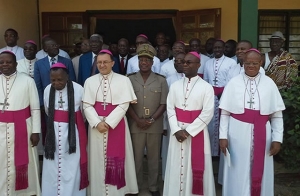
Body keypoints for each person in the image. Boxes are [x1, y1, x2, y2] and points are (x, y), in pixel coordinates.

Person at [219, 49, 285, 196]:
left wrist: (277, 139)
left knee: (261, 167)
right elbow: (225, 113)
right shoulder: (233, 82)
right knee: (238, 169)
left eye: (254, 63)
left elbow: (277, 115)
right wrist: (223, 137)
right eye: (247, 63)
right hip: (237, 134)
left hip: (263, 132)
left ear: (260, 63)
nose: (251, 66)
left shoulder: (269, 84)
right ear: (243, 63)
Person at [82, 49, 138, 195]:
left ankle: (117, 191)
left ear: (112, 63)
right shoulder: (89, 81)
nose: (102, 65)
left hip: (117, 124)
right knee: (97, 160)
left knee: (118, 157)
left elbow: (124, 104)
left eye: (105, 62)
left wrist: (109, 122)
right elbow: (86, 105)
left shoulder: (123, 80)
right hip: (96, 127)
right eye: (99, 62)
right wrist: (96, 122)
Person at [163, 52, 216, 196]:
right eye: (184, 62)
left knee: (196, 166)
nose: (184, 65)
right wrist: (176, 129)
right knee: (176, 165)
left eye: (189, 62)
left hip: (196, 132)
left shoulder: (206, 87)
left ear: (198, 65)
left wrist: (188, 131)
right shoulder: (175, 85)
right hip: (177, 131)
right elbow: (170, 109)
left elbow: (207, 113)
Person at [127, 44, 168, 196]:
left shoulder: (161, 81)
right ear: (138, 62)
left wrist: (150, 120)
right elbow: (126, 103)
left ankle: (153, 187)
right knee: (136, 158)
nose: (143, 62)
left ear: (152, 63)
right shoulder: (129, 79)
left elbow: (163, 104)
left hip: (154, 124)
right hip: (135, 124)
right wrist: (137, 119)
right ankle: (135, 186)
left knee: (153, 158)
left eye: (147, 60)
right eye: (141, 60)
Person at [42, 62, 88, 196]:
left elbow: (83, 113)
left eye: (60, 79)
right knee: (52, 166)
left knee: (72, 164)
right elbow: (47, 110)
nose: (56, 83)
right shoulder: (47, 90)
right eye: (53, 80)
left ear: (67, 76)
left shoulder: (79, 89)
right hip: (53, 133)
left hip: (73, 132)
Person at [0, 51, 41, 195]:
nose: (5, 65)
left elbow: (35, 108)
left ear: (16, 64)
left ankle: (24, 191)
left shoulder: (27, 80)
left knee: (24, 161)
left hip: (23, 127)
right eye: (2, 62)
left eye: (8, 62)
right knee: (2, 160)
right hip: (1, 128)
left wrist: (36, 131)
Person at [203, 39, 238, 156]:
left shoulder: (231, 62)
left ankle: (221, 152)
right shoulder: (208, 62)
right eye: (215, 48)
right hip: (211, 94)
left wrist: (224, 93)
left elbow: (231, 81)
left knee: (223, 122)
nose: (217, 50)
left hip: (224, 94)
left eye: (219, 47)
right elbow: (206, 80)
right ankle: (211, 153)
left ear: (224, 48)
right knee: (211, 123)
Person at [161, 52, 185, 181]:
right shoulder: (168, 80)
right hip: (171, 121)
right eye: (176, 61)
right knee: (169, 149)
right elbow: (165, 104)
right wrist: (164, 125)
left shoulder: (195, 79)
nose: (178, 63)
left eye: (181, 61)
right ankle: (168, 177)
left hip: (188, 123)